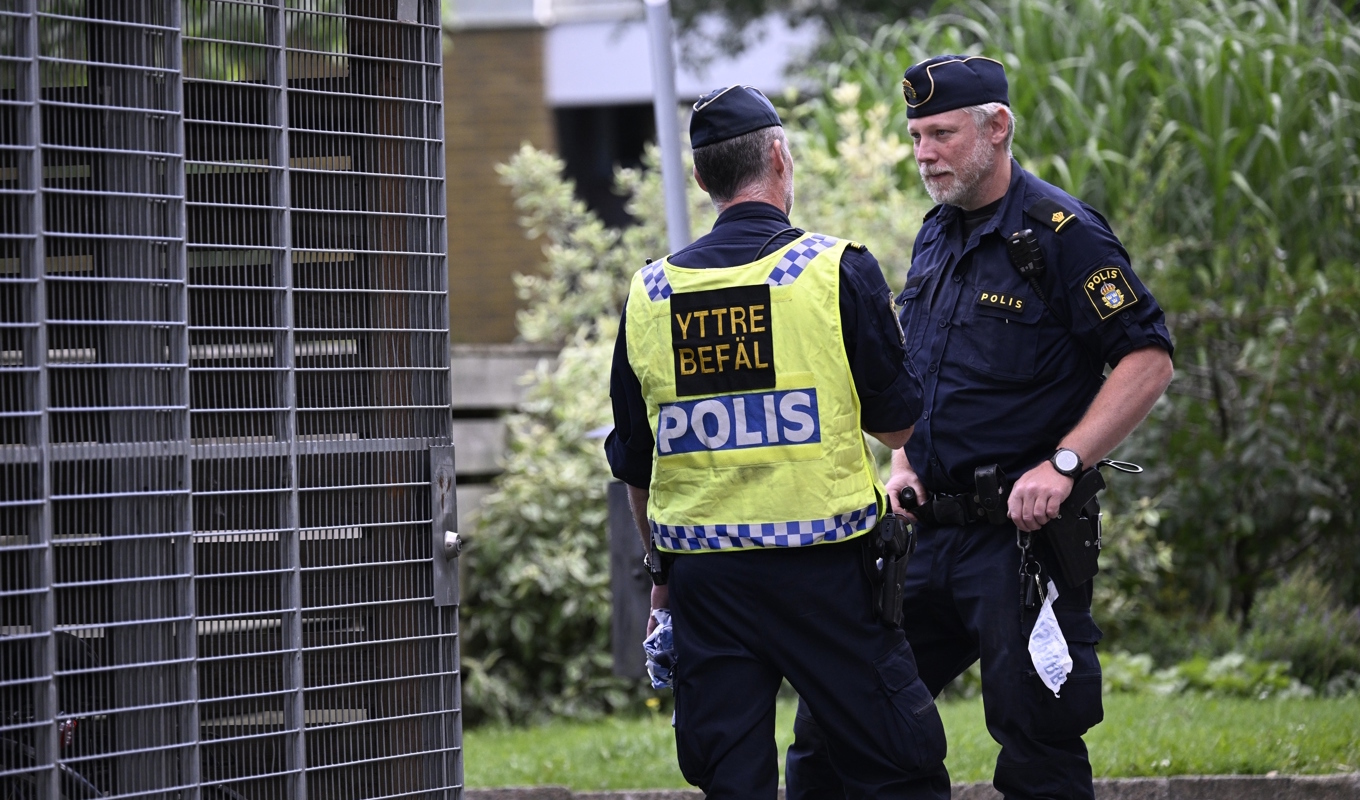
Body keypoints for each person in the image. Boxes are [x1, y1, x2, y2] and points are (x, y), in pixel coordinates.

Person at [785, 56, 1175, 800]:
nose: (924, 152)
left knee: (1037, 743)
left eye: (941, 133)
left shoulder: (1064, 234)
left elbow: (1147, 360)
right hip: (927, 534)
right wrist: (901, 464)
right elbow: (921, 375)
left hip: (1019, 549)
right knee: (839, 723)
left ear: (997, 128)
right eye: (915, 136)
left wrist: (1064, 464)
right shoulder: (936, 234)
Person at [604, 85, 951, 800]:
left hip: (706, 582)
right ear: (780, 159)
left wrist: (662, 580)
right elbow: (897, 427)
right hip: (827, 575)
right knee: (896, 765)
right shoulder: (833, 270)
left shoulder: (651, 295)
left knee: (732, 778)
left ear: (701, 179)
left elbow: (636, 467)